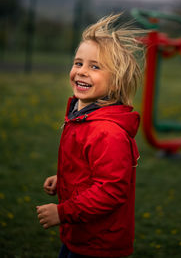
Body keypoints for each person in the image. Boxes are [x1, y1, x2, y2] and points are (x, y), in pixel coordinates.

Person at [36, 13, 144, 258]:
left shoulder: (108, 132)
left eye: (95, 66)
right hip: (79, 235)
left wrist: (62, 213)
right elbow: (89, 169)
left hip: (99, 244)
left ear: (116, 81)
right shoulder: (82, 116)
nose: (82, 71)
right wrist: (63, 179)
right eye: (78, 63)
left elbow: (110, 190)